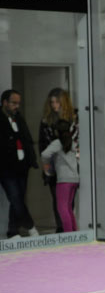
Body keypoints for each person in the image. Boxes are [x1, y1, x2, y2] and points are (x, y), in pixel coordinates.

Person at [0, 89, 39, 239]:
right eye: (13, 103)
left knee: (17, 199)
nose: (17, 106)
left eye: (18, 103)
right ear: (5, 103)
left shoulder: (19, 119)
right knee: (15, 197)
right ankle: (30, 226)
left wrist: (31, 160)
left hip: (22, 167)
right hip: (6, 168)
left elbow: (27, 140)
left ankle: (13, 231)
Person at [39, 88, 78, 233]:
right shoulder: (46, 121)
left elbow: (46, 152)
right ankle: (64, 230)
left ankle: (67, 232)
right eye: (52, 102)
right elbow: (43, 147)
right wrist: (47, 167)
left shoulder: (73, 119)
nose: (55, 105)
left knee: (65, 205)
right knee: (60, 203)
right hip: (57, 168)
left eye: (57, 102)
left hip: (68, 169)